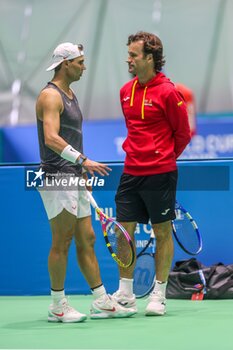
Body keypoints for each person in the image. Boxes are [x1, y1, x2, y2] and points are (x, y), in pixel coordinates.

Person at [36, 42, 135, 322]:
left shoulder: (70, 94)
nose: (84, 66)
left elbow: (71, 136)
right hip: (57, 178)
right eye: (80, 62)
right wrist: (83, 161)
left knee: (87, 239)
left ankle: (102, 300)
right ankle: (57, 305)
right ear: (65, 63)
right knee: (62, 241)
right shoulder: (50, 96)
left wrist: (80, 173)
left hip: (72, 177)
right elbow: (52, 138)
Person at [112, 32, 191, 316]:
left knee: (162, 232)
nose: (128, 59)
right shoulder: (125, 91)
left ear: (149, 58)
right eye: (129, 54)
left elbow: (182, 134)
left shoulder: (169, 93)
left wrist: (163, 157)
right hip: (130, 172)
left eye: (134, 55)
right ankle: (125, 292)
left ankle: (159, 293)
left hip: (160, 173)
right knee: (124, 232)